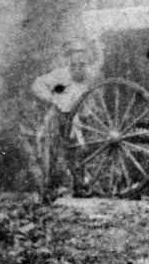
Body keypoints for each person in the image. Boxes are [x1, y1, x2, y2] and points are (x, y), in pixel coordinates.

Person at [30, 40, 103, 194]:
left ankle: (79, 186)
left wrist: (91, 110)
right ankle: (48, 188)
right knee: (52, 149)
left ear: (86, 63)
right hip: (59, 115)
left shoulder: (90, 76)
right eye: (74, 64)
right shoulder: (60, 74)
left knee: (79, 150)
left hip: (78, 118)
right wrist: (51, 99)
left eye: (81, 64)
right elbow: (37, 84)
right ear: (70, 62)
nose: (78, 68)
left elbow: (93, 96)